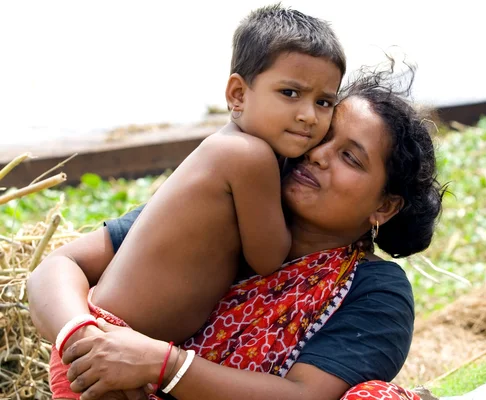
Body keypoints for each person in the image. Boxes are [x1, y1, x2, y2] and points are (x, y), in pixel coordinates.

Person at [28, 65, 444, 400]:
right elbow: (59, 266)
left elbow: (306, 395)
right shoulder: (220, 202)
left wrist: (163, 365)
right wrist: (85, 340)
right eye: (321, 135)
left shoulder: (375, 292)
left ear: (383, 206)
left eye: (349, 157)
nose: (317, 155)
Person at [33, 5, 345, 399]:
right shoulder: (250, 156)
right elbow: (269, 258)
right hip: (106, 344)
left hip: (110, 343)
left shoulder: (226, 149)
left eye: (324, 102)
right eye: (290, 93)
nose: (308, 116)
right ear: (237, 94)